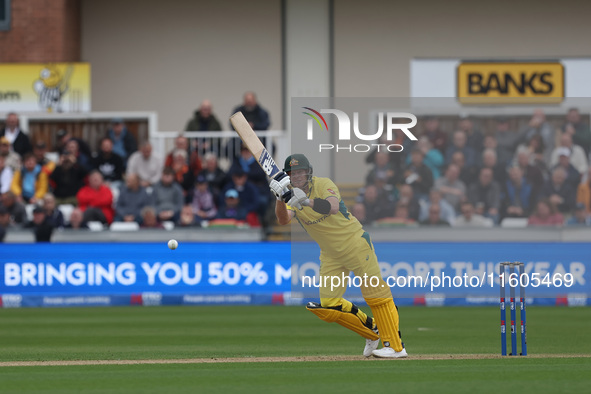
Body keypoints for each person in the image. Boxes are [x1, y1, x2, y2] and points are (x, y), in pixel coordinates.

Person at [271, 153, 407, 358]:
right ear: (288, 176)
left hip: (355, 243)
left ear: (308, 173)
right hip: (331, 254)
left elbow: (333, 207)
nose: (297, 176)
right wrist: (280, 199)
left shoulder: (323, 184)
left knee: (375, 293)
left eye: (301, 172)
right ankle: (371, 331)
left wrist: (307, 201)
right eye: (293, 173)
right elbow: (283, 220)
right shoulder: (289, 195)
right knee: (329, 305)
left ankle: (396, 347)